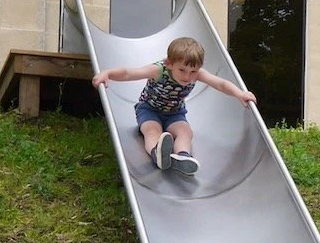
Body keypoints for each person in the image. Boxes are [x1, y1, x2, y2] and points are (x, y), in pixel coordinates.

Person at [91, 36, 255, 176]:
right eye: (182, 70)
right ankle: (157, 154)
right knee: (152, 130)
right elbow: (130, 73)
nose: (187, 76)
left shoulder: (197, 75)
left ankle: (182, 156)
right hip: (149, 109)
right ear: (169, 63)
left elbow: (220, 84)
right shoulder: (159, 70)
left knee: (185, 132)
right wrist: (108, 74)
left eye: (193, 71)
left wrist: (239, 93)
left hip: (175, 113)